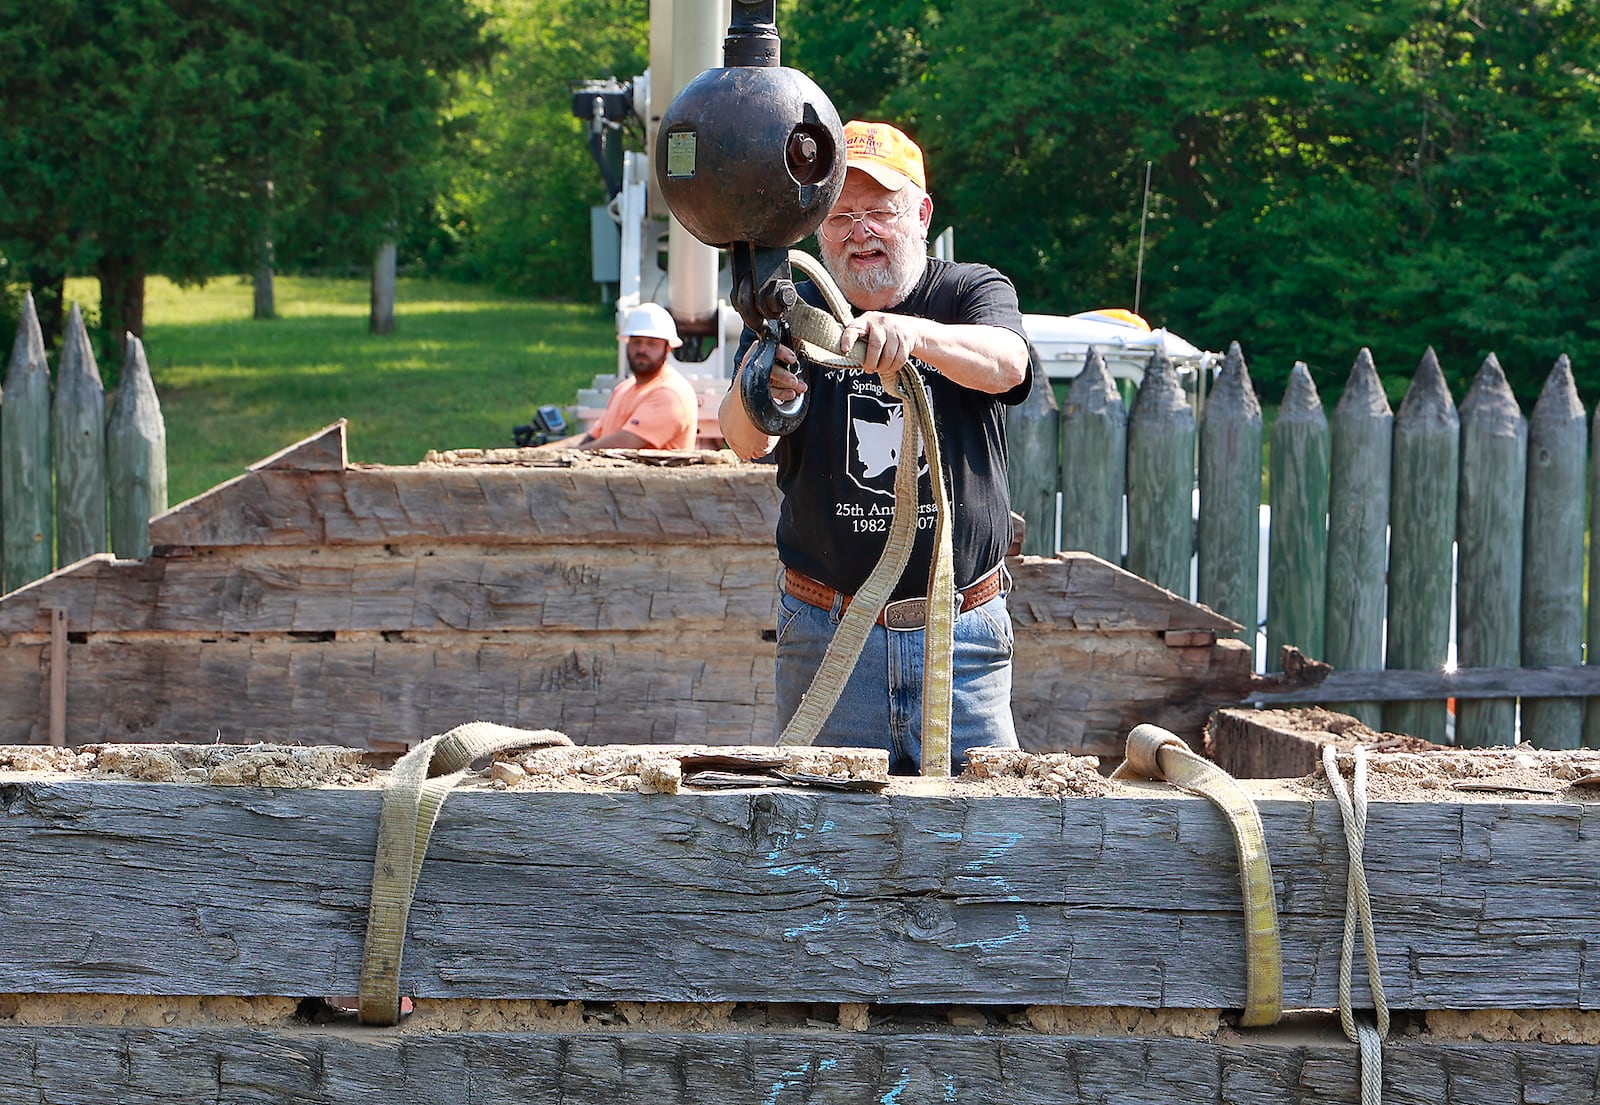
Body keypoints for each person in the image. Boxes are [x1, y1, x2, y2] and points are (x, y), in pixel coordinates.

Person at [718, 120, 1032, 774]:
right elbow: (740, 438)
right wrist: (764, 392)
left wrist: (912, 335)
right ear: (818, 228)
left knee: (983, 849)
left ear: (920, 214)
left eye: (880, 211)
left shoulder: (970, 292)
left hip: (961, 639)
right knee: (819, 852)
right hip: (828, 634)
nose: (860, 230)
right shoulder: (795, 310)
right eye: (841, 214)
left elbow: (1008, 365)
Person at [547, 302, 699, 450]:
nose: (642, 349)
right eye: (636, 341)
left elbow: (624, 442)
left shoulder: (670, 393)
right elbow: (592, 437)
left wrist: (565, 456)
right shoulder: (624, 388)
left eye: (651, 343)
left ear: (668, 349)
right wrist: (540, 453)